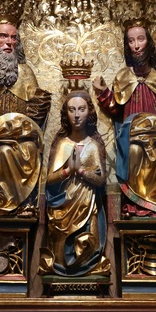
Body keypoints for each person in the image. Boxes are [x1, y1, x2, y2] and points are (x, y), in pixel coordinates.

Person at [92, 20, 156, 218]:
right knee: (134, 152)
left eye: (140, 39)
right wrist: (103, 93)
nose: (136, 45)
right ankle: (137, 205)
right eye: (131, 41)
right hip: (133, 136)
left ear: (148, 42)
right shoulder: (123, 76)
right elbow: (115, 108)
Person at [0, 18, 51, 216]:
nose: (9, 42)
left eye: (14, 38)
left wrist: (37, 110)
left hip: (21, 139)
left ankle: (23, 204)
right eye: (3, 36)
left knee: (27, 149)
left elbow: (37, 111)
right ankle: (1, 203)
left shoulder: (26, 71)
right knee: (3, 152)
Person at [38, 89, 111, 277]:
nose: (77, 115)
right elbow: (49, 179)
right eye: (72, 110)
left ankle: (86, 265)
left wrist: (81, 171)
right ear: (66, 114)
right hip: (63, 206)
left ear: (89, 112)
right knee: (61, 247)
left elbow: (101, 180)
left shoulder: (93, 145)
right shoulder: (62, 144)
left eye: (81, 109)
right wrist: (68, 171)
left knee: (86, 244)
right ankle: (61, 265)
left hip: (87, 205)